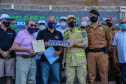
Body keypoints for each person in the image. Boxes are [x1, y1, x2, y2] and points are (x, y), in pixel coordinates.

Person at [3, 19, 43, 84]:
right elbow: (14, 47)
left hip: (32, 59)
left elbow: (34, 48)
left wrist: (38, 52)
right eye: (31, 25)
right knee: (21, 81)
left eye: (34, 25)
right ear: (26, 26)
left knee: (32, 80)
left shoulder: (33, 36)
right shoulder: (21, 33)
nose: (33, 27)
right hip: (22, 60)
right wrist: (27, 50)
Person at [85, 10, 112, 84]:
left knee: (104, 74)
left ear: (98, 16)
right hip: (90, 54)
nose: (91, 17)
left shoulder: (104, 27)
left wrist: (108, 47)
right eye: (90, 15)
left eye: (93, 15)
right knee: (91, 75)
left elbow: (109, 39)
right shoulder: (86, 29)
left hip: (102, 53)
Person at [62, 15, 88, 84]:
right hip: (69, 61)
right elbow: (65, 47)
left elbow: (85, 44)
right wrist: (63, 60)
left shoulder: (82, 31)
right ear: (67, 23)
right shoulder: (66, 33)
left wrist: (75, 44)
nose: (71, 22)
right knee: (69, 81)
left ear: (76, 22)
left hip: (80, 61)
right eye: (70, 20)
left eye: (73, 20)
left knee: (82, 80)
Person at [37, 16, 63, 84]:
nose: (51, 22)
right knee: (44, 78)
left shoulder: (59, 33)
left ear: (56, 23)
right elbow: (37, 45)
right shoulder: (41, 32)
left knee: (56, 78)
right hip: (44, 59)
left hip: (55, 58)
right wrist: (43, 44)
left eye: (53, 21)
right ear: (47, 22)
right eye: (49, 20)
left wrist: (59, 52)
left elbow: (63, 46)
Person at [0, 14, 16, 84]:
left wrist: (8, 52)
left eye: (9, 20)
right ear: (2, 20)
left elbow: (15, 44)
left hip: (10, 57)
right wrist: (2, 52)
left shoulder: (12, 31)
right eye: (7, 19)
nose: (8, 21)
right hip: (0, 57)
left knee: (9, 76)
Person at [106, 18, 122, 84]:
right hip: (106, 52)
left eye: (109, 21)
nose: (108, 22)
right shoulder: (104, 30)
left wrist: (113, 48)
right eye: (107, 22)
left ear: (113, 22)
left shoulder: (117, 30)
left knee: (117, 69)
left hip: (116, 53)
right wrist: (108, 47)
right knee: (106, 69)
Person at [113, 18, 126, 84]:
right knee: (124, 76)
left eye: (125, 22)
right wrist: (114, 57)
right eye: (122, 23)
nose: (124, 24)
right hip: (122, 59)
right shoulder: (117, 34)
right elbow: (114, 46)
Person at [34, 20, 46, 84]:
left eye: (43, 24)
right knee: (37, 74)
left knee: (45, 75)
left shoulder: (47, 34)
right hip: (37, 57)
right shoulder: (34, 34)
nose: (42, 26)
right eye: (40, 24)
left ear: (45, 25)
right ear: (37, 26)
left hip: (47, 58)